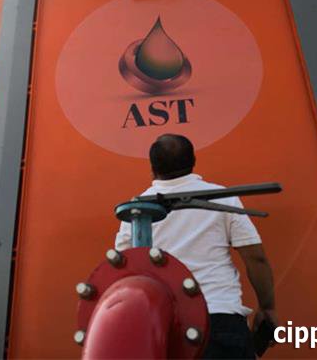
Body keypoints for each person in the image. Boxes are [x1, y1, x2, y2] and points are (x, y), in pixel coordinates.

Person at [115, 134, 277, 359]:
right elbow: (255, 258)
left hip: (167, 325)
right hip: (220, 319)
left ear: (152, 168)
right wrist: (267, 308)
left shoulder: (136, 210)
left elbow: (126, 272)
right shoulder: (223, 198)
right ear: (193, 161)